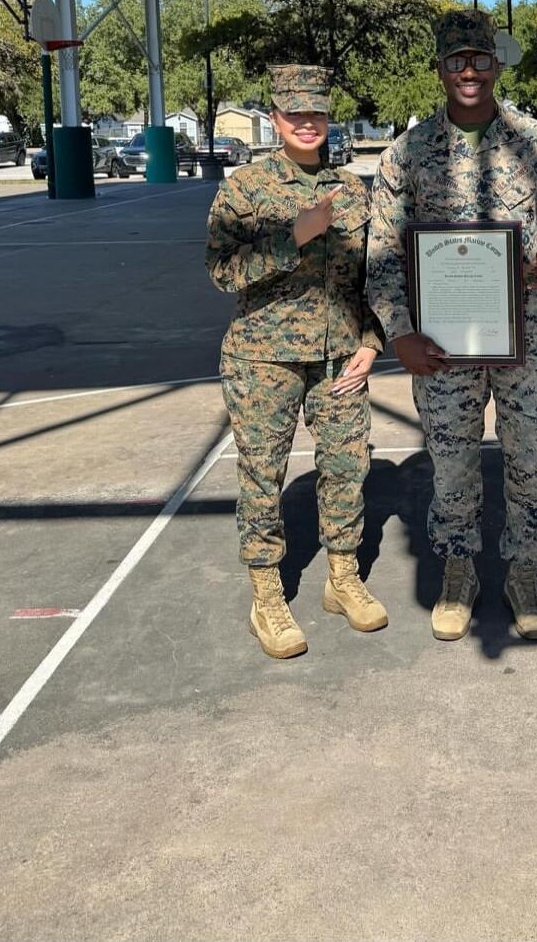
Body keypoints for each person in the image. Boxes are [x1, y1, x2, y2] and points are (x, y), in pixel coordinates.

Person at [367, 10, 537, 642]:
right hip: (441, 344)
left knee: (533, 457)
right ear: (439, 69)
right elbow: (381, 252)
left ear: (497, 64)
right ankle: (458, 567)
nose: (469, 72)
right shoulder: (406, 154)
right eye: (455, 61)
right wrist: (398, 332)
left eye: (480, 59)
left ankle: (524, 568)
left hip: (528, 338)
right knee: (452, 459)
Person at [206, 65, 386, 660]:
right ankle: (267, 594)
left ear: (328, 118)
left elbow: (374, 278)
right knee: (263, 474)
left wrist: (372, 341)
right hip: (265, 360)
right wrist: (296, 237)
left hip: (340, 357)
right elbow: (221, 272)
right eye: (294, 115)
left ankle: (342, 577)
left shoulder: (354, 190)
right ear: (277, 118)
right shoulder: (245, 189)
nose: (307, 124)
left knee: (347, 465)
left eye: (316, 115)